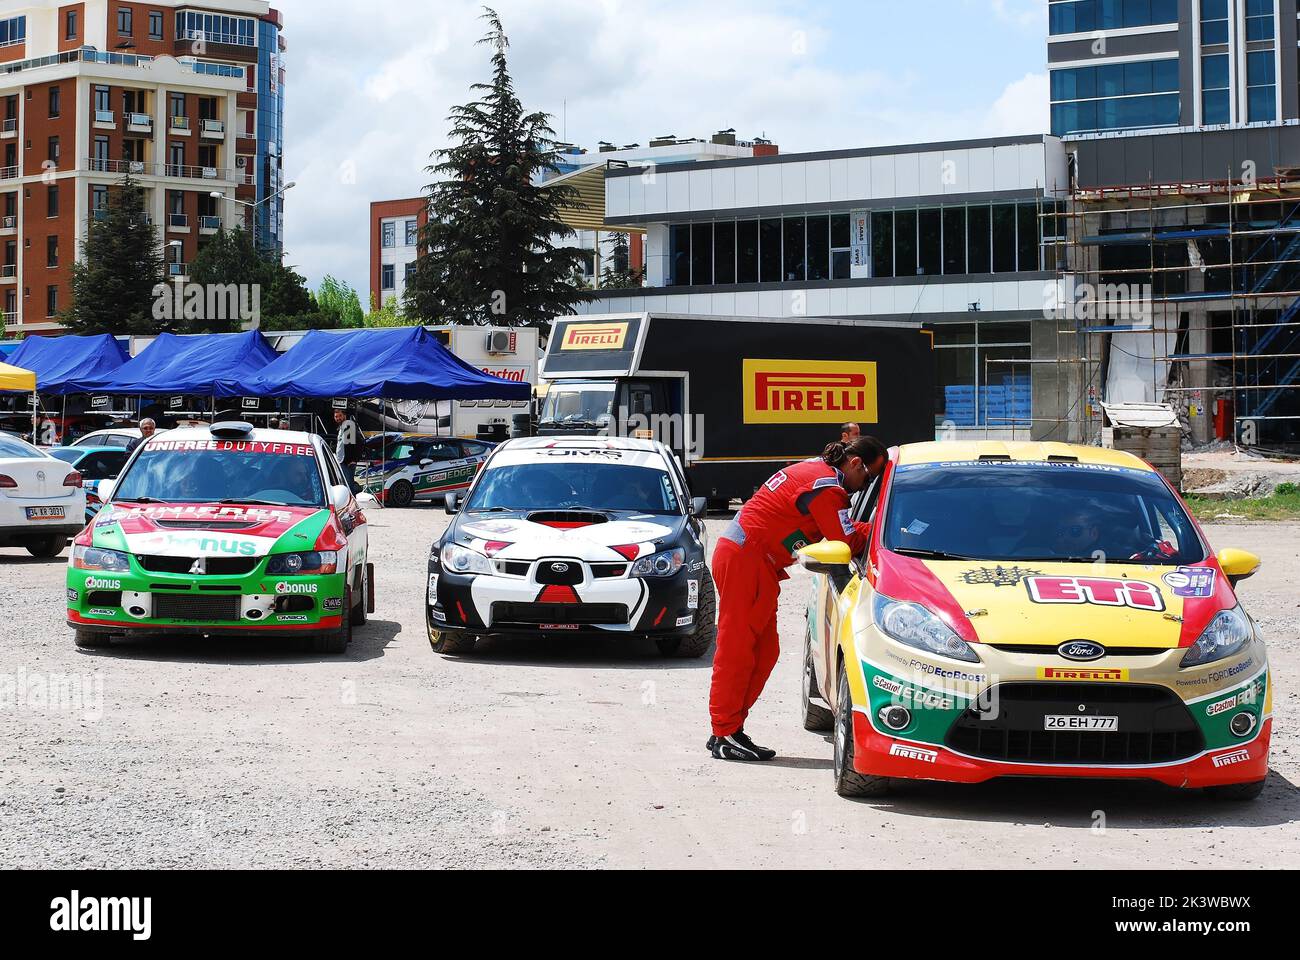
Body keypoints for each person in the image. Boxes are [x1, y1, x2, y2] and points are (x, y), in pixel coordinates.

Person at [708, 435, 888, 762]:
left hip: (751, 561)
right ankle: (723, 732)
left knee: (764, 650)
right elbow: (845, 540)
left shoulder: (816, 471)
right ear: (855, 464)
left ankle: (729, 729)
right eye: (869, 477)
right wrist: (879, 527)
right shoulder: (828, 490)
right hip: (746, 562)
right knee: (737, 650)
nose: (864, 486)